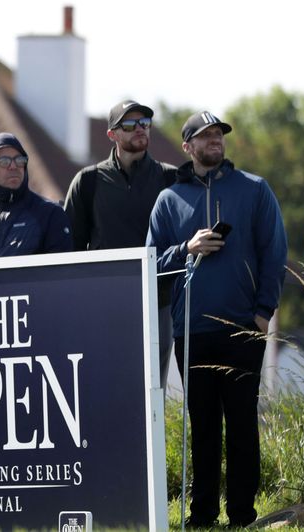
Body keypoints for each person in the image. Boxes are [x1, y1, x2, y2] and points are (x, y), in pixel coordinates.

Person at [146, 111, 287, 527]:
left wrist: (263, 313)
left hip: (244, 326)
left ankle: (242, 514)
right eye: (205, 136)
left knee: (243, 423)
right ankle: (202, 514)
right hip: (192, 329)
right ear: (187, 147)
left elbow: (274, 253)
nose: (215, 141)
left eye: (218, 134)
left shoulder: (254, 189)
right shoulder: (169, 200)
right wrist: (187, 248)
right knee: (203, 426)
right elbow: (151, 262)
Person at [64, 100, 177, 389]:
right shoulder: (87, 181)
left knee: (152, 392)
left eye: (145, 123)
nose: (140, 129)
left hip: (158, 302)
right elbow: (70, 249)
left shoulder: (171, 178)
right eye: (129, 124)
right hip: (104, 302)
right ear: (112, 134)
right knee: (106, 388)